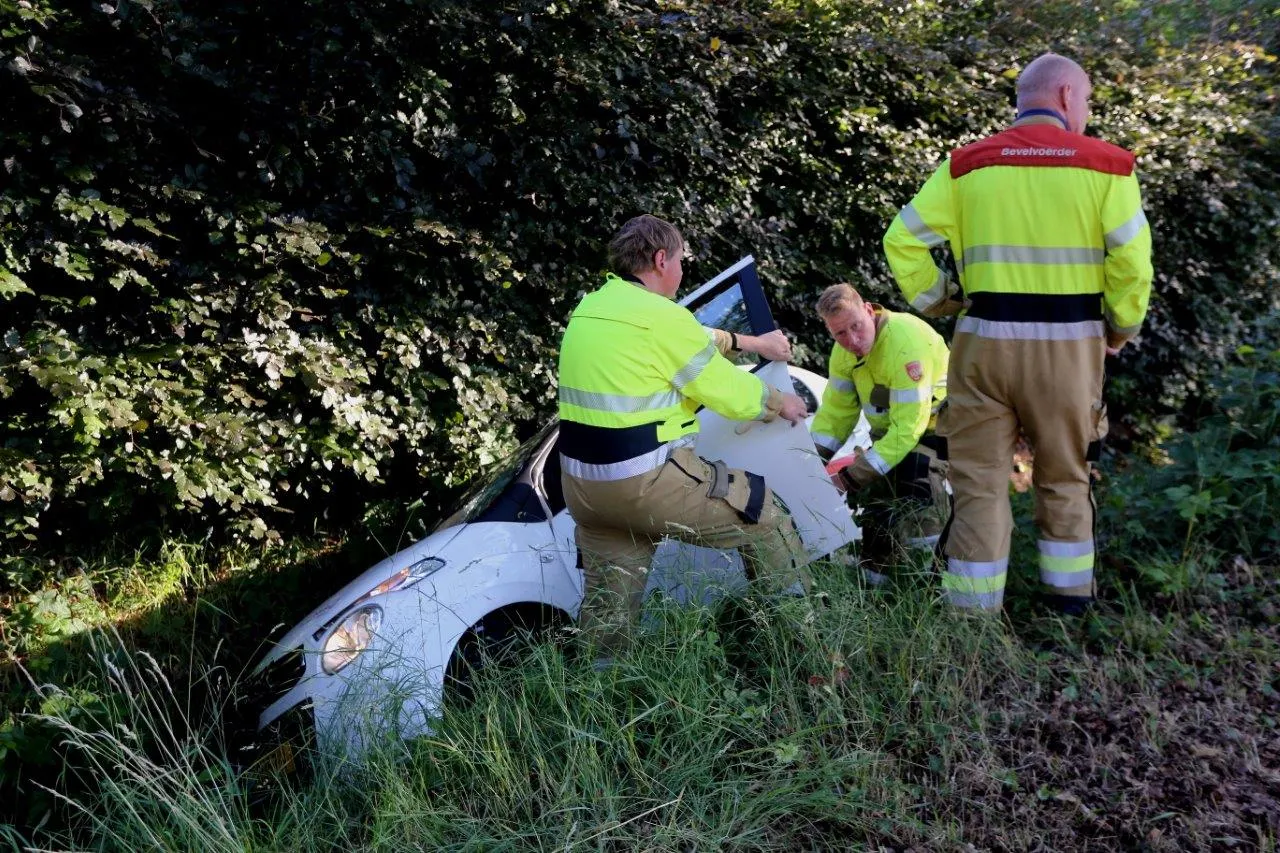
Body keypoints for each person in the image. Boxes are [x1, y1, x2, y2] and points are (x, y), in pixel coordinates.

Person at [882, 52, 1154, 613]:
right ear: (1065, 98)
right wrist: (1121, 329)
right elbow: (1132, 265)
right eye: (1085, 101)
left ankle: (970, 616)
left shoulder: (967, 165)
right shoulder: (1110, 167)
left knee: (978, 482)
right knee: (1063, 476)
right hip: (1070, 347)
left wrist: (941, 301)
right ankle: (1068, 607)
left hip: (983, 342)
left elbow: (902, 240)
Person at [558, 214, 812, 653]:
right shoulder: (660, 318)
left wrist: (751, 343)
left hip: (585, 491)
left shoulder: (593, 308)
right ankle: (807, 647)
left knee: (609, 616)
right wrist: (780, 402)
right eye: (679, 260)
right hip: (643, 483)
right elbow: (730, 393)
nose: (681, 270)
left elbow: (690, 334)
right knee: (764, 513)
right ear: (660, 259)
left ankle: (600, 706)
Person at [809, 283, 950, 584]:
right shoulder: (842, 354)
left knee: (916, 486)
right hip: (893, 434)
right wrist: (809, 462)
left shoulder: (904, 344)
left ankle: (933, 582)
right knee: (877, 504)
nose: (852, 340)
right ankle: (875, 587)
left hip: (939, 427)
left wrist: (847, 478)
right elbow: (836, 414)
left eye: (856, 327)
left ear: (869, 311)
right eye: (840, 334)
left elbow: (908, 428)